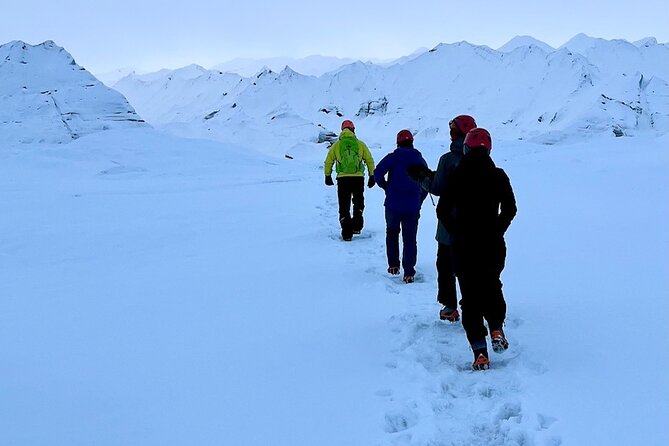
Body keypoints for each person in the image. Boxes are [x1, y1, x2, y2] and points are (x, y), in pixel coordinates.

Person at [437, 128, 517, 371]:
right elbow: (511, 208)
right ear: (488, 149)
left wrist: (455, 232)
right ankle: (496, 328)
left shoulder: (457, 176)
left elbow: (441, 211)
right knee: (492, 285)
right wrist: (497, 229)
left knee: (470, 296)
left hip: (463, 245)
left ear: (467, 148)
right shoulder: (498, 175)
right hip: (492, 243)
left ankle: (480, 351)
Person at [407, 115, 477, 322]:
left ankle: (450, 308)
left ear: (456, 133)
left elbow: (437, 187)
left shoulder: (447, 159)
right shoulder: (482, 160)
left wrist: (421, 177)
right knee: (471, 268)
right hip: (475, 227)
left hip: (449, 227)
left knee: (446, 267)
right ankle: (476, 306)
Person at [374, 130, 428, 283]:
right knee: (410, 239)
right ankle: (409, 272)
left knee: (392, 233)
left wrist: (386, 187)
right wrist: (419, 198)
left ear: (397, 142)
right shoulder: (418, 158)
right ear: (411, 142)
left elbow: (377, 173)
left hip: (392, 204)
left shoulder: (393, 157)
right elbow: (427, 180)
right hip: (412, 206)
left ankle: (393, 265)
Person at [324, 120, 376, 241]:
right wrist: (372, 175)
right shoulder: (360, 144)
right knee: (358, 201)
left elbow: (328, 161)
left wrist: (327, 176)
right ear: (353, 130)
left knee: (344, 205)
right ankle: (357, 226)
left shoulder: (337, 145)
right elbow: (369, 160)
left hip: (343, 179)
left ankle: (347, 233)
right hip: (358, 178)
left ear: (342, 130)